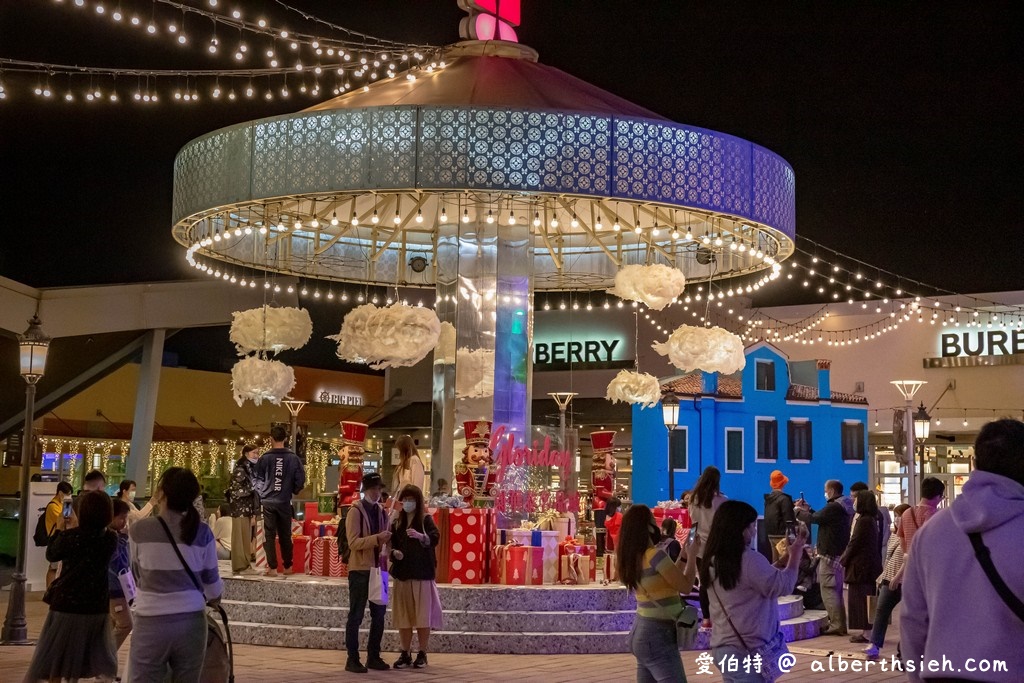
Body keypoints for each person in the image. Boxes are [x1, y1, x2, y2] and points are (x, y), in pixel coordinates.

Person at [902, 419, 1024, 683]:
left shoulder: (932, 531)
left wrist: (915, 676)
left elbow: (913, 619)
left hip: (942, 672)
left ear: (974, 463)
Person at [128, 467, 223, 683]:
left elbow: (137, 575)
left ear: (161, 492)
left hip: (150, 621)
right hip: (191, 622)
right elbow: (212, 585)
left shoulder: (139, 530)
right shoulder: (203, 532)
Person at [703, 501, 807, 683]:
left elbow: (746, 583)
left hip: (724, 647)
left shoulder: (713, 559)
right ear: (741, 529)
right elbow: (782, 586)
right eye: (751, 526)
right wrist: (796, 554)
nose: (754, 531)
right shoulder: (749, 559)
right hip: (747, 650)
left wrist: (783, 560)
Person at [24, 490, 118, 683]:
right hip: (96, 605)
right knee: (82, 656)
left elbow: (52, 554)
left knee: (57, 659)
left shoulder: (71, 537)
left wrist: (60, 528)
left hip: (67, 603)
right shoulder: (111, 538)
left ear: (82, 512)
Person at [616, 504, 700, 683]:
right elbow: (685, 586)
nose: (657, 525)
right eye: (653, 521)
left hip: (642, 631)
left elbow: (670, 579)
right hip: (658, 636)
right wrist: (693, 556)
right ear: (647, 527)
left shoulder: (633, 558)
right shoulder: (655, 555)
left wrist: (684, 555)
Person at [388, 484, 443, 670]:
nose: (408, 503)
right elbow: (391, 544)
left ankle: (422, 652)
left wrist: (421, 537)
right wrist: (394, 553)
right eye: (405, 499)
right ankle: (405, 652)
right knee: (404, 616)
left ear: (418, 501)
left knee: (422, 616)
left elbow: (435, 538)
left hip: (422, 574)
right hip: (402, 574)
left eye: (412, 500)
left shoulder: (426, 519)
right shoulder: (397, 521)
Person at [345, 472, 392, 674]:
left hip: (378, 569)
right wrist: (377, 538)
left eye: (379, 488)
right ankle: (352, 658)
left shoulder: (382, 512)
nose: (377, 492)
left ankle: (373, 656)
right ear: (366, 490)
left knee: (379, 615)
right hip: (360, 570)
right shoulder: (355, 511)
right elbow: (353, 542)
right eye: (373, 489)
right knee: (356, 615)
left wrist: (390, 546)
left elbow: (385, 540)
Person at [795, 479, 852, 635]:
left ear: (832, 491)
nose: (825, 493)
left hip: (829, 555)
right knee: (836, 591)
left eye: (826, 490)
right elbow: (820, 517)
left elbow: (815, 519)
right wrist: (809, 509)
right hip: (836, 555)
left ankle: (836, 625)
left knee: (829, 590)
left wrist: (798, 510)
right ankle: (838, 623)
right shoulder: (841, 506)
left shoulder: (834, 507)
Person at [255, 425, 307, 577]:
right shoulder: (293, 458)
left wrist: (263, 492)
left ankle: (272, 568)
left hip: (268, 502)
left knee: (269, 535)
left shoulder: (265, 458)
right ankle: (288, 566)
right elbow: (300, 479)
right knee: (285, 534)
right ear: (286, 439)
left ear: (270, 439)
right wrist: (293, 489)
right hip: (284, 501)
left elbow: (256, 479)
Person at [863, 502, 910, 659]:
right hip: (888, 578)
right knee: (881, 610)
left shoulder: (910, 537)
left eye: (900, 516)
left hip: (905, 580)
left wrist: (898, 577)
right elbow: (888, 558)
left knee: (909, 615)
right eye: (896, 516)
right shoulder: (893, 536)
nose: (897, 520)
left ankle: (909, 647)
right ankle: (875, 644)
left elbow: (908, 559)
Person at [889, 476, 946, 589]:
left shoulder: (906, 513)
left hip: (911, 569)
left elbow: (902, 541)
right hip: (928, 571)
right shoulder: (934, 516)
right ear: (938, 496)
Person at [841, 490, 883, 644]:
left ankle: (867, 632)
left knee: (861, 599)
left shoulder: (864, 520)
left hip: (861, 567)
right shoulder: (872, 518)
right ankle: (868, 631)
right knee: (867, 599)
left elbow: (855, 542)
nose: (854, 501)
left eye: (856, 499)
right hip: (869, 566)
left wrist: (844, 559)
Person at [690, 465, 727, 628]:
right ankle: (719, 615)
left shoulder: (693, 500)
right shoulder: (721, 501)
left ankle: (706, 619)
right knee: (718, 582)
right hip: (717, 547)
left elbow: (693, 524)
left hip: (699, 547)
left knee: (704, 583)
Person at [227, 444, 260, 574]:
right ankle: (241, 566)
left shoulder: (248, 468)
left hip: (245, 508)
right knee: (240, 537)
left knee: (245, 537)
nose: (256, 456)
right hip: (239, 508)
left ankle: (244, 565)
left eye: (257, 453)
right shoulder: (241, 469)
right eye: (254, 453)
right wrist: (253, 488)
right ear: (246, 454)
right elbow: (235, 490)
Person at [108, 498, 134, 652]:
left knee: (111, 626)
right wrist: (123, 539)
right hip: (115, 588)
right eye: (121, 518)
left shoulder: (116, 535)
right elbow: (118, 561)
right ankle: (105, 660)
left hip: (117, 587)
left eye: (126, 518)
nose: (124, 521)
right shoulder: (113, 537)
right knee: (126, 624)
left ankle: (103, 667)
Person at [44, 481, 73, 588]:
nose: (68, 496)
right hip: (55, 538)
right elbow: (63, 520)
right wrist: (68, 504)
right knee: (53, 567)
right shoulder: (53, 506)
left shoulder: (62, 504)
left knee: (56, 567)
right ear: (60, 493)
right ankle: (49, 590)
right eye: (67, 493)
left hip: (62, 538)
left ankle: (52, 590)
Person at [850, 481, 889, 561]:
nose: (852, 500)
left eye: (855, 497)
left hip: (866, 559)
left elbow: (880, 540)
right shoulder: (856, 515)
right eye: (851, 496)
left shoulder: (873, 516)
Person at [763, 470, 796, 562]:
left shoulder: (768, 499)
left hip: (771, 534)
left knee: (776, 563)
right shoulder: (784, 499)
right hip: (782, 535)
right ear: (783, 483)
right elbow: (788, 519)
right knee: (786, 563)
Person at [391, 435, 427, 503]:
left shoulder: (414, 461)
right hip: (403, 499)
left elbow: (417, 485)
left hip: (411, 500)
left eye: (400, 450)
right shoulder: (403, 464)